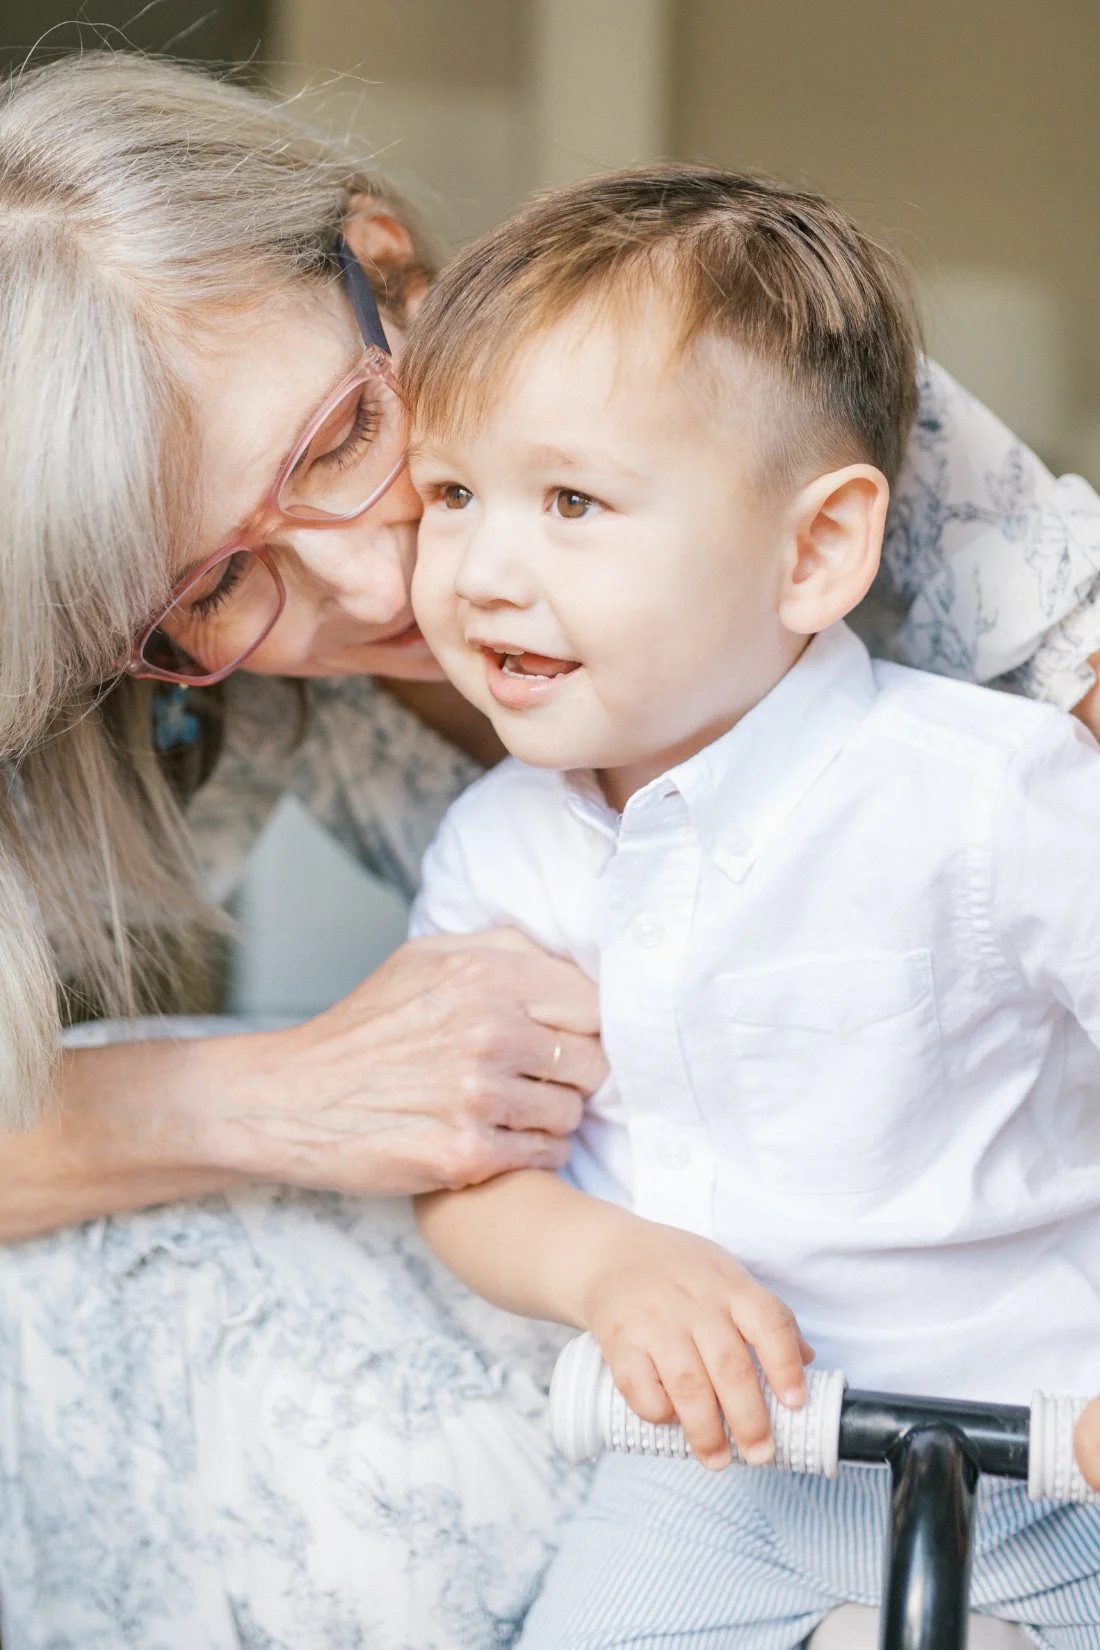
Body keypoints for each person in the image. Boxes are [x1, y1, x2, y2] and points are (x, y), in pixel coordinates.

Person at [1, 46, 1100, 1650]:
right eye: (206, 587)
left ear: (386, 270)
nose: (383, 593)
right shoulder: (385, 783)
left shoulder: (734, 370)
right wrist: (301, 1099)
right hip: (716, 1434)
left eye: (337, 445)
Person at [404, 165, 1100, 1648]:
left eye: (573, 499)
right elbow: (464, 1174)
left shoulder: (993, 792)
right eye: (450, 494)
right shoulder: (500, 846)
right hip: (712, 1483)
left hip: (1059, 1459)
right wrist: (607, 1265)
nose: (481, 568)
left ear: (816, 552)